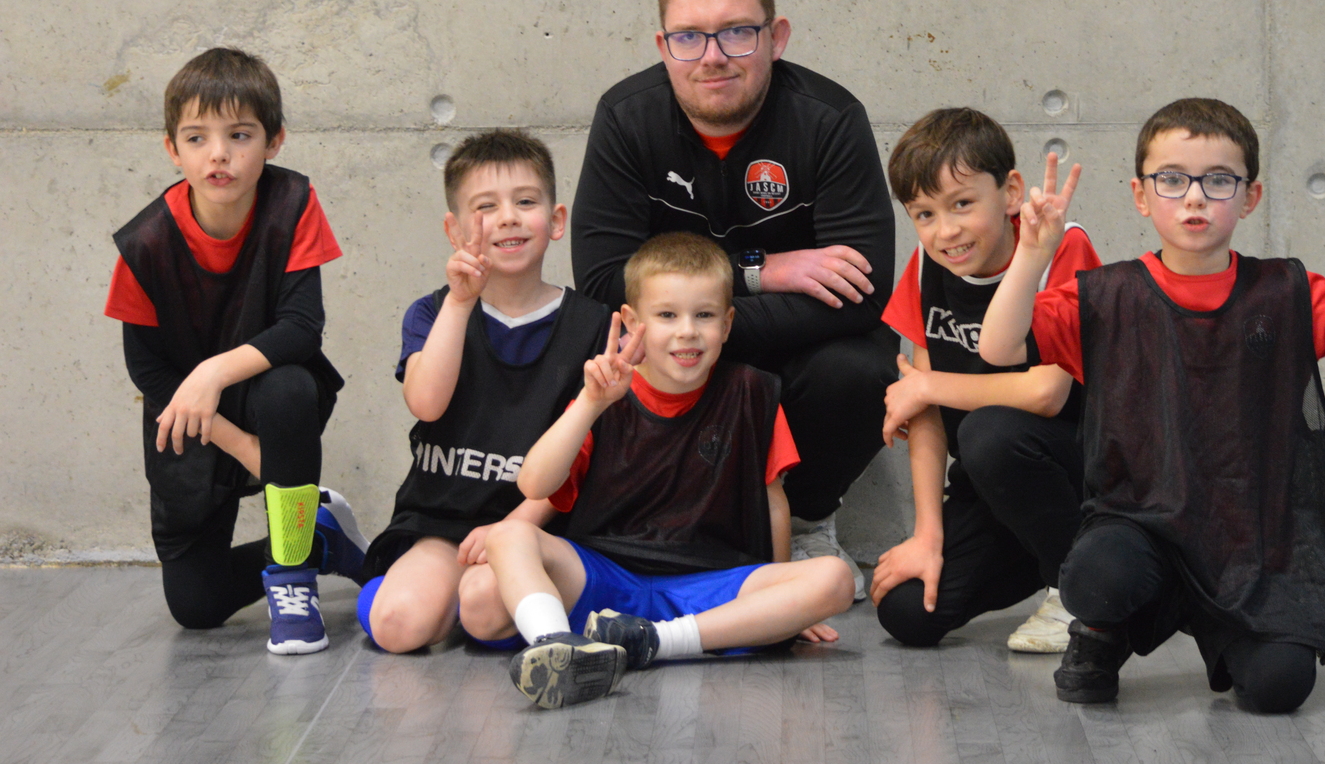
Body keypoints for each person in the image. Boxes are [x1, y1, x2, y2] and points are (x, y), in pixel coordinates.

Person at [979, 98, 1325, 714]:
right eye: (1172, 179)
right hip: (1141, 525)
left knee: (1277, 689)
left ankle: (1230, 632)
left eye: (1218, 181)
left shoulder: (1283, 292)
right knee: (1099, 577)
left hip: (1252, 541)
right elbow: (998, 348)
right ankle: (1102, 632)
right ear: (1140, 194)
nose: (1194, 198)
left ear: (1250, 197)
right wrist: (1031, 253)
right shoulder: (1107, 296)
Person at [570, 0, 898, 598]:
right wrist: (758, 270)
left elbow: (864, 292)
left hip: (782, 356)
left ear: (776, 37)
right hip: (668, 346)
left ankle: (804, 522)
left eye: (737, 32)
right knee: (579, 342)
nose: (712, 56)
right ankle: (650, 530)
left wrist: (715, 325)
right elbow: (604, 283)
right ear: (663, 46)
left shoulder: (830, 120)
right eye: (689, 36)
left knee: (862, 368)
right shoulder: (626, 118)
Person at [483, 232, 856, 709]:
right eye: (666, 315)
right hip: (608, 577)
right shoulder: (603, 393)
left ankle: (652, 642)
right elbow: (534, 484)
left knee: (834, 579)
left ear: (728, 323)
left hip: (710, 584)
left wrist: (782, 604)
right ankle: (558, 646)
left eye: (704, 315)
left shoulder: (751, 392)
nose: (687, 332)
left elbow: (774, 503)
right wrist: (591, 404)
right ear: (631, 322)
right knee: (506, 538)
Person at [106, 47, 367, 655]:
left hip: (257, 392)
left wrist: (214, 372)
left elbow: (301, 328)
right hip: (188, 416)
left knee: (290, 386)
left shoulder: (293, 203)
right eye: (197, 137)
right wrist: (238, 442)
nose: (218, 154)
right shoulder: (145, 244)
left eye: (239, 135)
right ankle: (320, 539)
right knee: (195, 606)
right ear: (173, 149)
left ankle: (293, 578)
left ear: (274, 141)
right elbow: (146, 368)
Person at [355, 130, 611, 653]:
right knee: (398, 627)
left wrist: (509, 528)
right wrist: (460, 302)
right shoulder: (433, 311)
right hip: (442, 519)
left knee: (483, 608)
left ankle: (472, 605)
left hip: (535, 527)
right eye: (486, 207)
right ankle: (387, 579)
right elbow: (427, 404)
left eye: (525, 202)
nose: (508, 217)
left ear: (556, 220)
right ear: (454, 230)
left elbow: (585, 459)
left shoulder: (595, 326)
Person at [873, 108, 1100, 652]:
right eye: (924, 214)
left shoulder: (1058, 246)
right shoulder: (927, 266)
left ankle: (1081, 593)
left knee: (990, 432)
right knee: (908, 611)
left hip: (1078, 476)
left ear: (1011, 192)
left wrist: (928, 386)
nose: (946, 230)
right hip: (995, 486)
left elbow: (1046, 393)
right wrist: (927, 535)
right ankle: (1048, 558)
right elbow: (924, 415)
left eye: (962, 204)